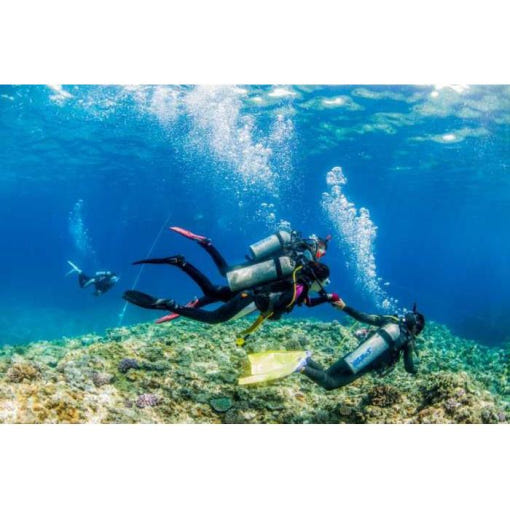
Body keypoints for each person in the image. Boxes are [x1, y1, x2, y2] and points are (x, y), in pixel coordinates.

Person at [127, 226, 332, 323]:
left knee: (213, 290)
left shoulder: (294, 249)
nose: (320, 255)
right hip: (254, 291)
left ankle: (182, 263)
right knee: (215, 317)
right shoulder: (304, 262)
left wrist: (328, 297)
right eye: (322, 252)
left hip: (254, 277)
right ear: (319, 247)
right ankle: (171, 304)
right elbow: (296, 296)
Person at [297, 299, 425, 390]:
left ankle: (306, 359)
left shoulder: (391, 321)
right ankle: (301, 367)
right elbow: (409, 367)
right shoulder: (408, 341)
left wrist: (344, 307)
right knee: (330, 383)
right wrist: (416, 371)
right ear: (415, 328)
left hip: (355, 354)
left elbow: (364, 317)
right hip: (363, 364)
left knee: (327, 373)